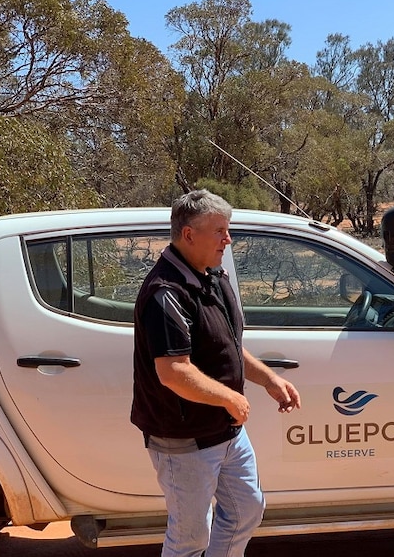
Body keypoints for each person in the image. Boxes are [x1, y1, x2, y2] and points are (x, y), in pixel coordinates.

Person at [131, 189, 301, 557]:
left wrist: (268, 378)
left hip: (226, 430)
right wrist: (229, 397)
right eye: (220, 230)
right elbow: (174, 372)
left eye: (228, 229)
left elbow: (228, 345)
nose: (228, 238)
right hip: (185, 439)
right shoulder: (166, 293)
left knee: (246, 512)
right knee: (190, 538)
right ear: (188, 234)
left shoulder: (212, 277)